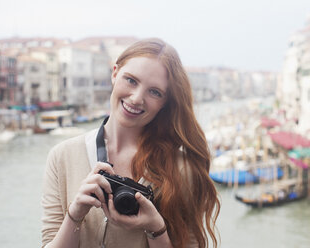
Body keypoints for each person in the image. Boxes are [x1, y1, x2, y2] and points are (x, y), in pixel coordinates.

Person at [41, 38, 220, 248]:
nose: (136, 98)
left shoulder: (183, 169)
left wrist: (155, 227)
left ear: (165, 102)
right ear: (115, 73)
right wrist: (75, 213)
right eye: (131, 80)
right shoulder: (62, 157)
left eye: (155, 92)